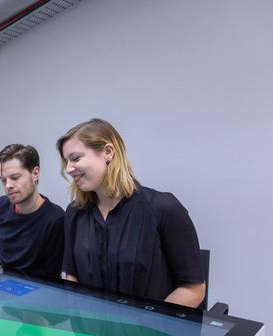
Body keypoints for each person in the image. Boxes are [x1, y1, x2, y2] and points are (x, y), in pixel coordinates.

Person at [57, 118, 205, 307]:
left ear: (108, 152)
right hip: (91, 333)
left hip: (148, 334)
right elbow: (72, 275)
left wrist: (151, 330)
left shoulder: (163, 208)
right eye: (66, 161)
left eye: (76, 158)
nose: (68, 169)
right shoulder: (75, 212)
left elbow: (193, 288)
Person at [0, 144, 65, 280]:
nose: (8, 186)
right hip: (5, 286)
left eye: (15, 177)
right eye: (3, 180)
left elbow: (51, 274)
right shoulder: (2, 205)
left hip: (38, 292)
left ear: (35, 173)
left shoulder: (56, 218)